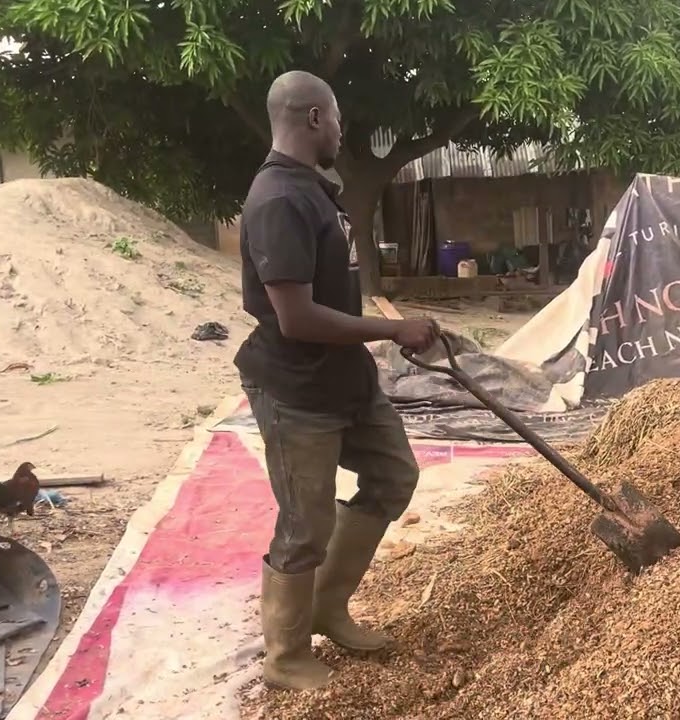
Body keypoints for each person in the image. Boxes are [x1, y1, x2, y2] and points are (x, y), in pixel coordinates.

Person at [234, 70, 439, 691]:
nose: (344, 129)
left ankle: (328, 604)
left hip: (345, 380)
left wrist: (385, 337)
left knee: (393, 474)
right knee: (305, 524)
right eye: (339, 117)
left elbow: (335, 291)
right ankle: (286, 656)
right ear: (315, 118)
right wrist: (390, 330)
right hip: (295, 388)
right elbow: (295, 318)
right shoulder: (277, 200)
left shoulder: (316, 190)